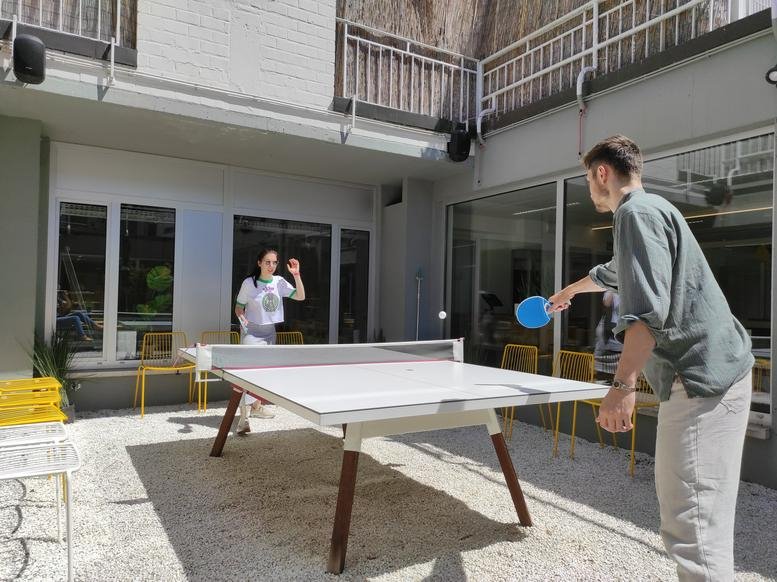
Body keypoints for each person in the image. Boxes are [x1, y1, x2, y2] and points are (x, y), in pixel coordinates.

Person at [548, 135, 753, 581]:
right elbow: (616, 273)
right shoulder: (656, 208)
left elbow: (645, 315)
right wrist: (568, 292)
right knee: (702, 525)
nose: (588, 189)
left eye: (587, 179)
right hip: (719, 373)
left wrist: (621, 388)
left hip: (699, 380)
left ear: (603, 173)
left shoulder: (633, 215)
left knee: (692, 531)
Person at [234, 249, 305, 435]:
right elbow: (239, 308)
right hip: (251, 332)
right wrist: (243, 321)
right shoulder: (249, 283)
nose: (271, 266)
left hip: (269, 333)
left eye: (274, 262)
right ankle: (243, 418)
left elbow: (300, 296)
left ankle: (256, 407)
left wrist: (296, 274)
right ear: (259, 263)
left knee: (263, 374)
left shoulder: (279, 281)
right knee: (247, 375)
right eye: (267, 262)